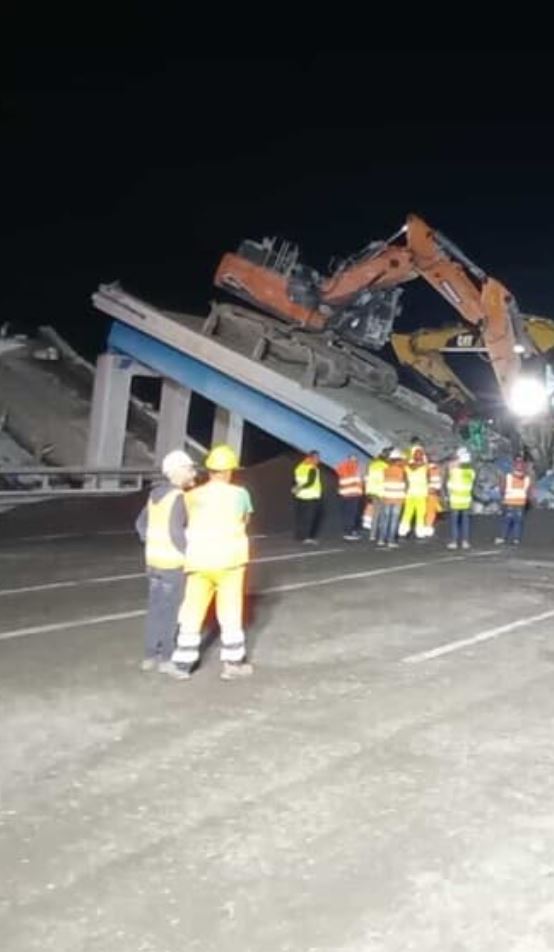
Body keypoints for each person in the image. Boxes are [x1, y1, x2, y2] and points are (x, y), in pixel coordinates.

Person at [172, 444, 254, 681]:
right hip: (229, 560)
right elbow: (246, 519)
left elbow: (185, 521)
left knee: (192, 610)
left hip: (198, 559)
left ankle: (183, 663)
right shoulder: (239, 494)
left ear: (209, 470)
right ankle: (232, 663)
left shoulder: (192, 495)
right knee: (230, 612)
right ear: (229, 471)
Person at [135, 449, 196, 676]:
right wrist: (189, 553)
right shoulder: (178, 497)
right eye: (189, 469)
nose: (192, 473)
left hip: (153, 561)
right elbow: (175, 531)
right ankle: (167, 658)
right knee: (172, 612)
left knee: (155, 608)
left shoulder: (154, 495)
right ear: (178, 471)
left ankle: (150, 655)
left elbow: (140, 523)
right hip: (172, 563)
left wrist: (149, 541)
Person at [494, 456, 532, 545]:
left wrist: (503, 495)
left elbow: (502, 489)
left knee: (507, 521)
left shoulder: (508, 476)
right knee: (518, 522)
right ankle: (516, 539)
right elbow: (528, 491)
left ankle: (503, 538)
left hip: (509, 501)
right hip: (520, 502)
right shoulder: (527, 478)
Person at [446, 447, 476, 550]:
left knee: (455, 522)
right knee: (465, 522)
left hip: (455, 500)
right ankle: (465, 542)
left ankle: (454, 542)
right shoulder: (471, 473)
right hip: (466, 500)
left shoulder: (454, 472)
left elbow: (449, 485)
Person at [376, 449, 406, 548]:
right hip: (397, 498)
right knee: (394, 520)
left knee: (385, 519)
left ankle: (381, 539)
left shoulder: (385, 470)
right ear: (398, 460)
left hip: (387, 497)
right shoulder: (402, 471)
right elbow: (406, 484)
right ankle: (391, 540)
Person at [398, 446, 429, 540]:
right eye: (418, 453)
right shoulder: (423, 466)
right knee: (409, 513)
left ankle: (409, 532)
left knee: (419, 514)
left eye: (420, 453)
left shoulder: (409, 466)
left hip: (418, 493)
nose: (419, 455)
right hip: (414, 493)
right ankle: (404, 532)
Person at [292, 450, 322, 544]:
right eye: (317, 458)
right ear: (311, 458)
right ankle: (307, 537)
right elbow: (311, 482)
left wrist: (297, 488)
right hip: (311, 496)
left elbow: (295, 480)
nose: (318, 460)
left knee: (302, 517)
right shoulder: (312, 468)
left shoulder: (299, 467)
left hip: (301, 496)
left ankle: (300, 536)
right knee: (310, 518)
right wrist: (300, 487)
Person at [335, 454, 364, 540]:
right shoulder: (356, 468)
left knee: (347, 514)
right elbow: (359, 480)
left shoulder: (342, 466)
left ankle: (348, 531)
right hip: (354, 493)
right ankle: (349, 533)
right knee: (352, 514)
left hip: (344, 493)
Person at [364, 448, 390, 541]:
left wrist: (367, 493)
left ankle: (372, 535)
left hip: (373, 492)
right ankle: (382, 536)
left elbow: (367, 479)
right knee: (383, 515)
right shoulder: (386, 466)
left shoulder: (372, 465)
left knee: (375, 515)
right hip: (382, 492)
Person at [424, 453, 443, 538]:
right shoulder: (436, 469)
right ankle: (428, 528)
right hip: (433, 493)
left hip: (424, 493)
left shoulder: (424, 469)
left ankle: (424, 527)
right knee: (431, 512)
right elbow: (438, 483)